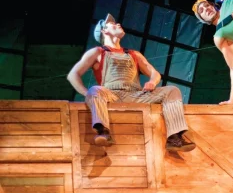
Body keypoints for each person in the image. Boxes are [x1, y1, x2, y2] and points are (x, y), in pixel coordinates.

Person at [67, 13, 196, 152]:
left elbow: (155, 73)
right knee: (95, 89)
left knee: (172, 90)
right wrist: (87, 94)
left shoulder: (133, 54)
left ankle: (174, 137)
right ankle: (103, 131)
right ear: (104, 31)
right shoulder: (98, 52)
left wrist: (152, 82)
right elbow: (73, 75)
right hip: (111, 95)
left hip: (136, 95)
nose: (118, 24)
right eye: (112, 24)